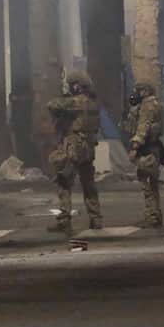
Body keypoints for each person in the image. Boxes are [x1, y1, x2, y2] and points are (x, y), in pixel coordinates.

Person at [46, 70, 102, 233]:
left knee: (64, 181)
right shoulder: (92, 103)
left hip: (75, 147)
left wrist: (64, 96)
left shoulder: (76, 102)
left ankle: (64, 219)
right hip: (88, 148)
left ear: (77, 86)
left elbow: (52, 105)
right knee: (88, 184)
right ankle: (96, 218)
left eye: (71, 85)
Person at [123, 82, 164, 228]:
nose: (137, 93)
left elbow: (143, 127)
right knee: (153, 184)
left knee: (146, 182)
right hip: (154, 147)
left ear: (146, 91)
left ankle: (152, 217)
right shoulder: (157, 103)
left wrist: (135, 146)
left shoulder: (147, 105)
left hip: (147, 148)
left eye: (139, 90)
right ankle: (155, 215)